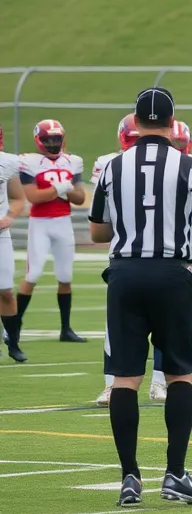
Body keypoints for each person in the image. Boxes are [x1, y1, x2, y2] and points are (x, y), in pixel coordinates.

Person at [89, 87, 192, 507]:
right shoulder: (189, 166)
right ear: (171, 122)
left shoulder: (112, 167)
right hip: (171, 273)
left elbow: (96, 231)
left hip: (125, 274)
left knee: (125, 378)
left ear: (134, 122)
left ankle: (130, 477)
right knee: (180, 373)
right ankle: (175, 473)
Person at [93, 115, 168, 405]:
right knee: (123, 327)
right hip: (146, 255)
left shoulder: (113, 165)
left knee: (122, 326)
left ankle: (147, 382)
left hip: (134, 256)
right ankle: (116, 384)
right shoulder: (112, 164)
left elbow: (98, 227)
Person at [13, 118, 87, 356]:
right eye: (48, 139)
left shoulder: (72, 161)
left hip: (63, 222)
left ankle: (66, 329)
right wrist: (61, 189)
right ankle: (13, 326)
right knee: (32, 274)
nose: (53, 143)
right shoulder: (29, 162)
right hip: (40, 224)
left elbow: (80, 198)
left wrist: (64, 192)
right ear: (39, 140)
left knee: (65, 276)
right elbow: (33, 196)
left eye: (56, 138)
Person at [0, 124, 26, 362]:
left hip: (0, 235)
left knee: (6, 291)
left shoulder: (6, 162)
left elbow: (18, 198)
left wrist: (8, 217)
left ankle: (13, 342)